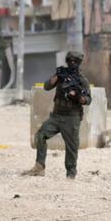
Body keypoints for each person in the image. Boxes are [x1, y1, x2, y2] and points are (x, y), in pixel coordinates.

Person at [22, 51, 90, 179]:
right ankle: (39, 167)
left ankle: (71, 173)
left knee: (71, 147)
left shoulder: (82, 80)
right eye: (70, 60)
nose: (72, 63)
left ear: (79, 62)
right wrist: (57, 77)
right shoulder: (61, 75)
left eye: (75, 61)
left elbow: (88, 100)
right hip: (56, 116)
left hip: (72, 118)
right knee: (41, 135)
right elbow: (47, 86)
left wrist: (78, 97)